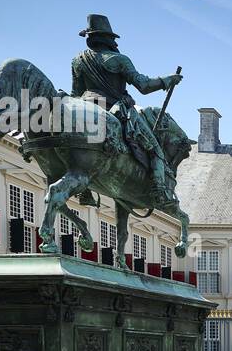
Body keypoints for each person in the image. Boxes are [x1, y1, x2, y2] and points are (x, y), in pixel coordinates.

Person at [70, 13, 183, 206]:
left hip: (85, 107)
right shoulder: (119, 59)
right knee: (155, 148)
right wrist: (168, 80)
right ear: (109, 39)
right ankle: (159, 189)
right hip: (114, 109)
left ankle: (84, 190)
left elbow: (76, 93)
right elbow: (144, 86)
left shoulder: (78, 60)